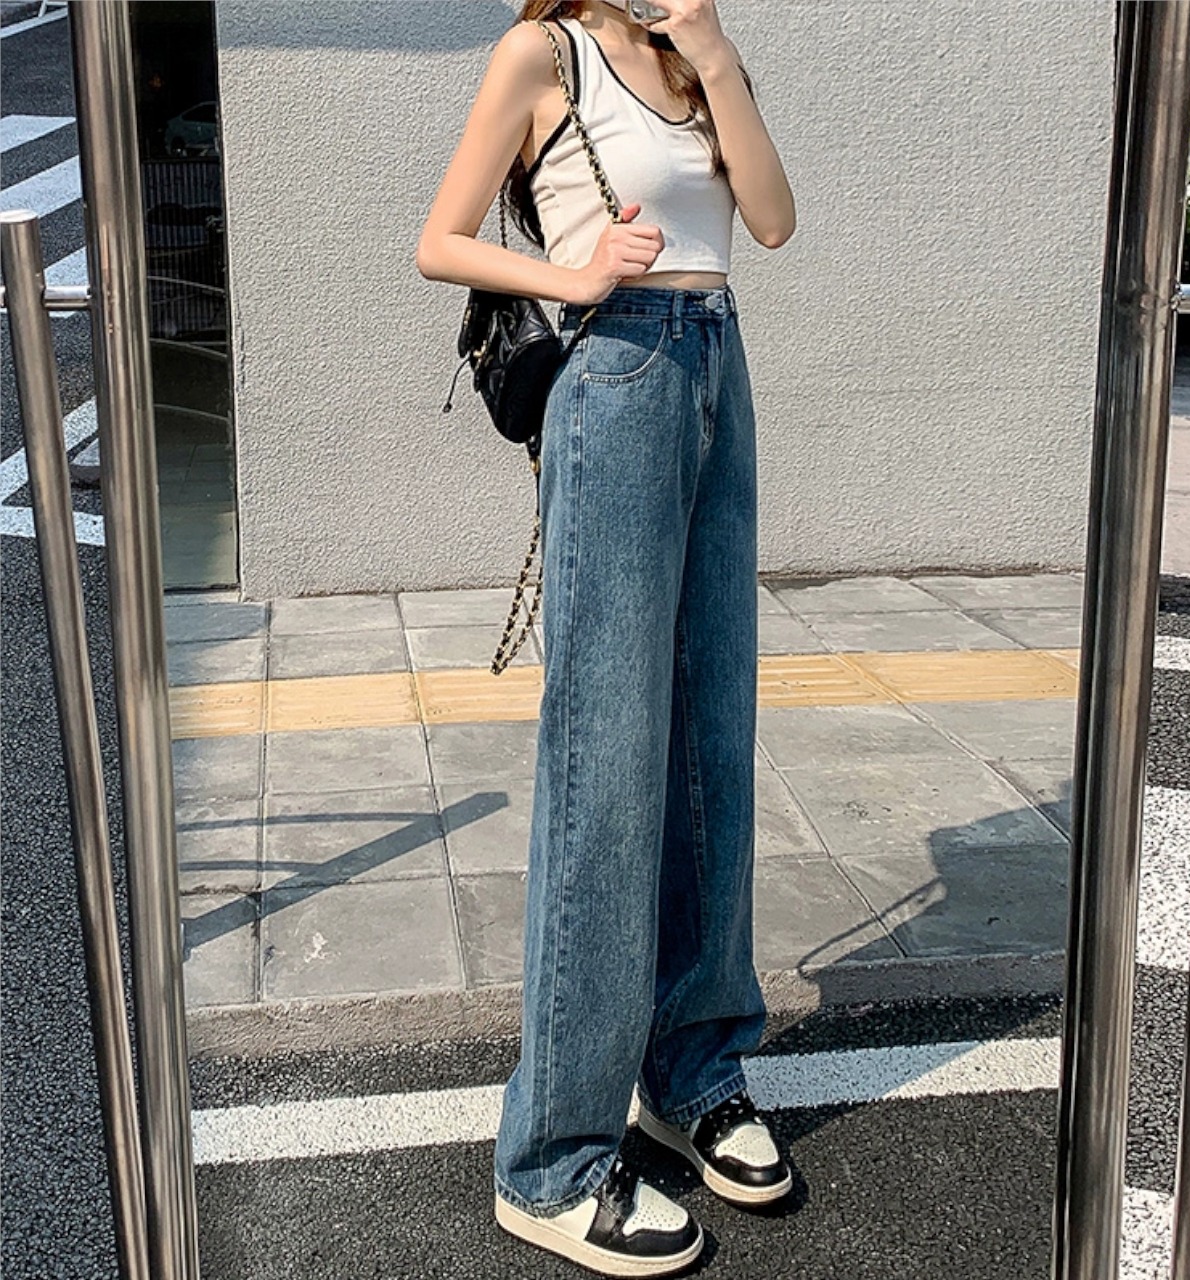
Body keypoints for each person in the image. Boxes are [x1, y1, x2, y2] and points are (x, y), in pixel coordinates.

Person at [415, 2, 796, 1273]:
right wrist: (575, 275)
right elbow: (439, 241)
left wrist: (718, 56)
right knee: (608, 762)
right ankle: (554, 1156)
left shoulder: (691, 55)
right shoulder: (545, 53)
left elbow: (772, 221)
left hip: (716, 364)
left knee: (711, 738)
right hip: (617, 375)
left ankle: (693, 1071)